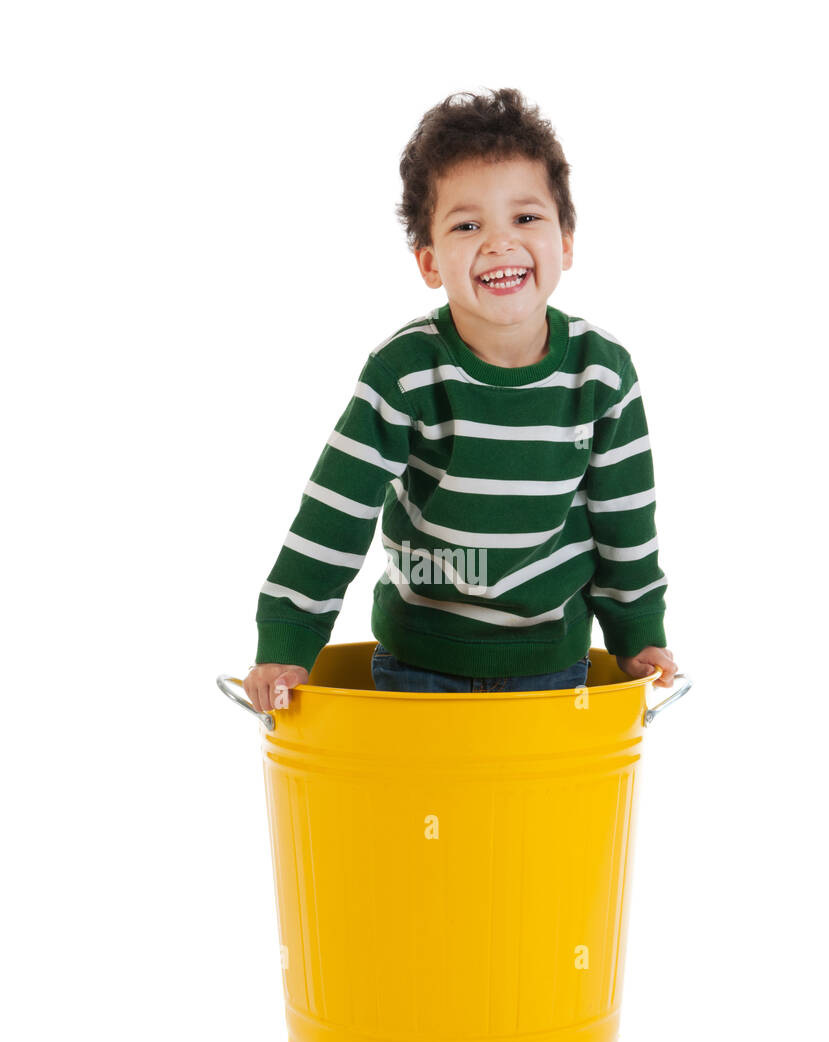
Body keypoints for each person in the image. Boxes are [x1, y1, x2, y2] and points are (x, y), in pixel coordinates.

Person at [243, 87, 677, 710]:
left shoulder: (601, 374)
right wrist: (287, 638)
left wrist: (640, 636)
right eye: (468, 225)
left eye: (525, 218)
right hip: (422, 658)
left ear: (567, 241)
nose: (499, 243)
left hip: (552, 663)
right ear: (429, 261)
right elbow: (336, 512)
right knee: (424, 810)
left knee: (536, 810)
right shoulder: (406, 370)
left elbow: (626, 526)